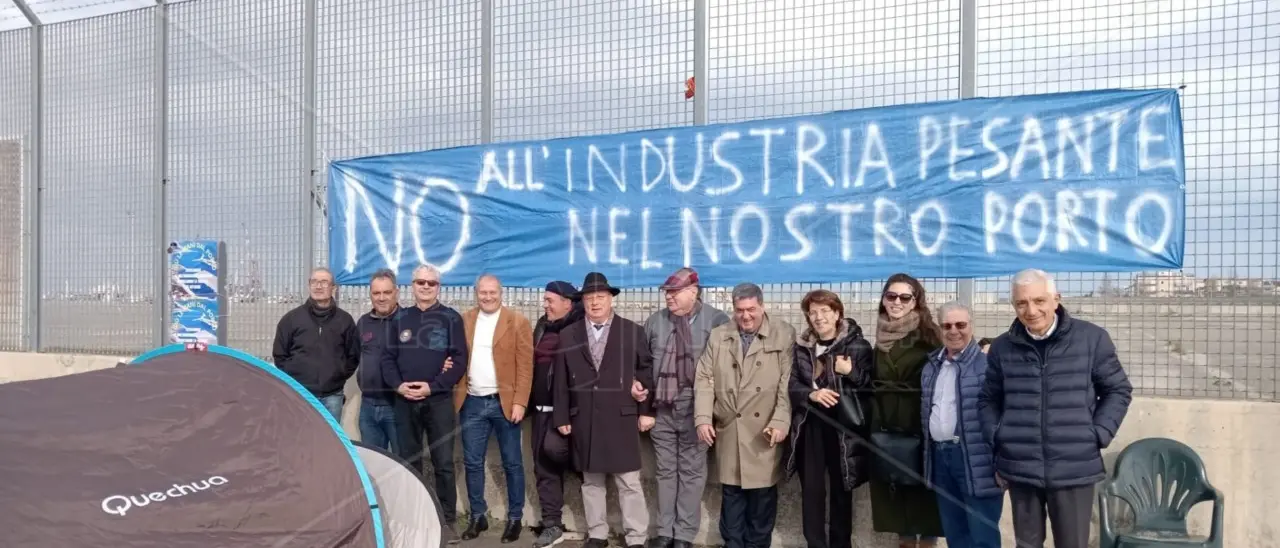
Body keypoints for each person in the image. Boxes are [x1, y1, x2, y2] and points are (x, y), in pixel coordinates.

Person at [979, 269, 1133, 548]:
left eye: (1039, 300)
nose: (1031, 311)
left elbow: (1118, 390)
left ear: (1056, 299)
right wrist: (999, 435)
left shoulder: (1092, 339)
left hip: (1074, 467)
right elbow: (988, 399)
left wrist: (1098, 433)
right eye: (1022, 303)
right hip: (1021, 467)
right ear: (1013, 305)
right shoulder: (1002, 347)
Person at [552, 272, 655, 548]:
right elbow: (560, 378)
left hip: (622, 416)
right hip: (584, 417)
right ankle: (597, 534)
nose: (595, 302)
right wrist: (561, 415)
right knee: (591, 481)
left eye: (600, 297)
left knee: (629, 481)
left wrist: (646, 409)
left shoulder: (632, 331)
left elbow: (645, 371)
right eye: (589, 298)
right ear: (582, 302)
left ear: (611, 299)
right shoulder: (568, 334)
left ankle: (636, 537)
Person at [693, 283, 795, 548]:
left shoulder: (783, 334)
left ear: (762, 306)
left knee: (762, 497)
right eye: (740, 310)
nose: (745, 316)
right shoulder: (720, 335)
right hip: (730, 427)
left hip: (764, 429)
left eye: (751, 309)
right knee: (732, 495)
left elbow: (787, 383)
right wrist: (703, 418)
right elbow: (704, 377)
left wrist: (780, 420)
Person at [643, 267, 730, 548]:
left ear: (693, 292)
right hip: (662, 408)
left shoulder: (717, 321)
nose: (669, 297)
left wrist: (713, 413)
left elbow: (725, 369)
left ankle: (683, 535)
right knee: (665, 471)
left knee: (692, 473)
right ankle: (665, 531)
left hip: (697, 409)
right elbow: (642, 364)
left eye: (675, 292)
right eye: (667, 293)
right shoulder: (655, 322)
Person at [785, 289, 874, 548]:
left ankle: (840, 544)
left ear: (837, 314)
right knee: (811, 491)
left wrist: (851, 371)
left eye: (825, 311)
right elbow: (791, 384)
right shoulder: (802, 347)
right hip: (810, 423)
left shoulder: (858, 345)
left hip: (842, 426)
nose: (819, 317)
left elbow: (870, 387)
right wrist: (811, 394)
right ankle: (815, 543)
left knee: (841, 491)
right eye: (813, 312)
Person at [381, 264, 468, 527]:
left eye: (431, 283)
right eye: (421, 282)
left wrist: (434, 386)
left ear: (438, 287)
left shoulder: (451, 318)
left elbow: (460, 359)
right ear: (413, 286)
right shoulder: (399, 318)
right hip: (404, 401)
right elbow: (387, 359)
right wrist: (398, 386)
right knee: (410, 462)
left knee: (444, 462)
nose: (426, 287)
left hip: (438, 401)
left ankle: (447, 521)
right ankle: (414, 519)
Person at [455, 274, 534, 543]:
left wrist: (520, 401)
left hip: (505, 403)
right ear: (476, 293)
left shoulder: (518, 322)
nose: (488, 297)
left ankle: (515, 518)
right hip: (472, 402)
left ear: (501, 293)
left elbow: (526, 366)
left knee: (512, 462)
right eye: (483, 292)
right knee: (472, 462)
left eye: (492, 292)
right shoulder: (465, 320)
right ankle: (478, 516)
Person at [868, 273, 945, 548]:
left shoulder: (930, 336)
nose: (897, 302)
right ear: (883, 300)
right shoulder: (881, 338)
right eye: (891, 296)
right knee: (895, 499)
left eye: (904, 297)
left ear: (915, 302)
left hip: (919, 426)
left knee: (923, 500)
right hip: (885, 427)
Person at [921, 301, 1003, 548]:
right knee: (955, 534)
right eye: (947, 326)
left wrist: (1000, 460)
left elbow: (1002, 413)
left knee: (982, 537)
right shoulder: (931, 366)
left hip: (977, 459)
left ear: (971, 326)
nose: (954, 331)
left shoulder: (988, 364)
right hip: (940, 457)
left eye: (960, 324)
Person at [528, 281, 585, 548]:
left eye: (550, 300)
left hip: (569, 414)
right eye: (545, 300)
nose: (545, 305)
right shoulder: (543, 325)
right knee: (543, 469)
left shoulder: (580, 329)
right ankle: (552, 524)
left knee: (571, 459)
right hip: (540, 412)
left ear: (567, 303)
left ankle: (598, 526)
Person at [272, 267, 360, 420]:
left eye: (324, 282)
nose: (318, 286)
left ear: (333, 288)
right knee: (299, 434)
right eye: (314, 282)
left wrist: (337, 376)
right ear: (309, 285)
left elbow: (353, 356)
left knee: (329, 435)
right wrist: (296, 379)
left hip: (332, 396)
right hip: (300, 394)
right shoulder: (291, 319)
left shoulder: (345, 320)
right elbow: (280, 355)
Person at [356, 268, 404, 451]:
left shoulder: (409, 321)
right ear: (370, 294)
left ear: (396, 293)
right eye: (376, 293)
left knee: (402, 461)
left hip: (398, 405)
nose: (381, 298)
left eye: (387, 292)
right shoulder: (363, 322)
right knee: (372, 461)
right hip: (368, 405)